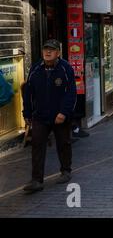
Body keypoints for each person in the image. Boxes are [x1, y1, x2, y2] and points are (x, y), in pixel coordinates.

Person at [22, 39, 77, 193]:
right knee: (37, 146)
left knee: (63, 144)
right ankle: (36, 180)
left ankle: (66, 171)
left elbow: (71, 93)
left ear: (58, 53)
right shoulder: (35, 69)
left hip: (60, 116)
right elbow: (28, 93)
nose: (47, 52)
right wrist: (26, 113)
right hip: (40, 116)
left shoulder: (65, 69)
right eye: (45, 49)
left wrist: (63, 113)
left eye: (51, 50)